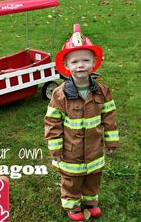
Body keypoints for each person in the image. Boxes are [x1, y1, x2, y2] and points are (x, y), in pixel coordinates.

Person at [44, 24, 119, 221]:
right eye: (75, 61)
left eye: (85, 60)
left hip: (94, 149)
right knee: (72, 180)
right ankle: (72, 205)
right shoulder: (59, 95)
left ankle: (91, 201)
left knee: (93, 177)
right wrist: (56, 151)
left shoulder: (102, 91)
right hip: (71, 152)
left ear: (94, 62)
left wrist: (111, 142)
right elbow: (52, 124)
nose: (80, 65)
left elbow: (109, 118)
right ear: (66, 66)